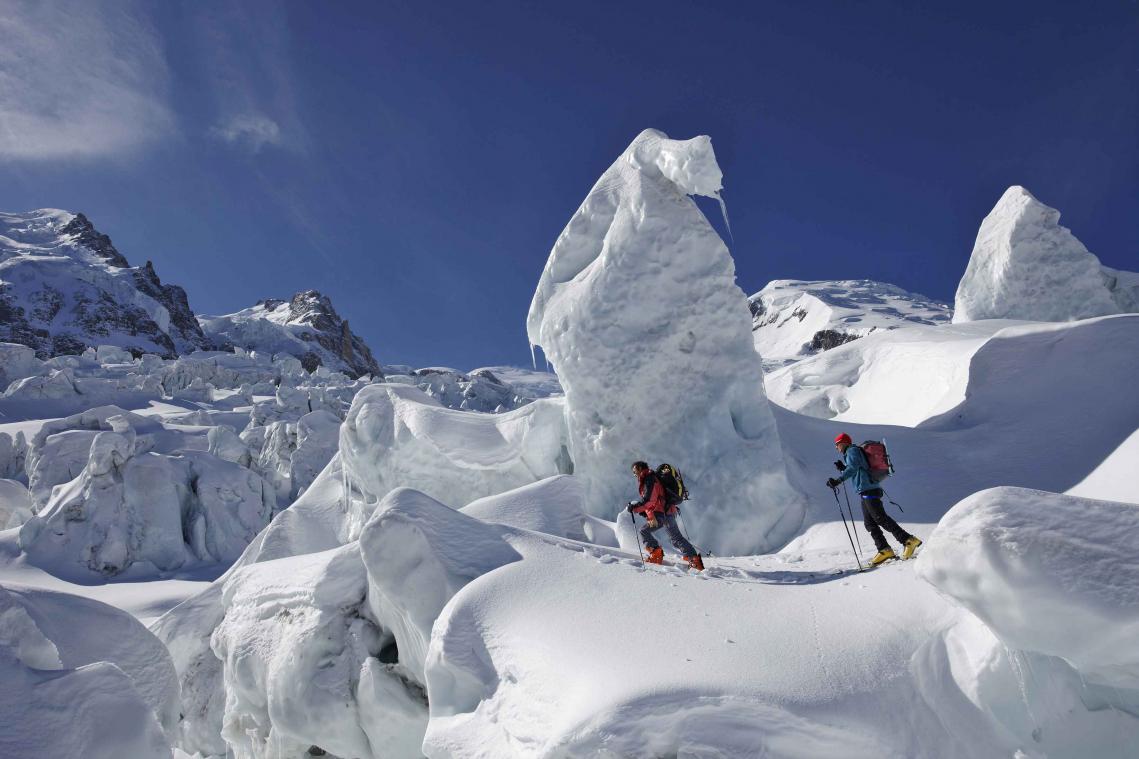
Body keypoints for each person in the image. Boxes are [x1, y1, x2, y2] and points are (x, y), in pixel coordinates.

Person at [826, 433, 921, 566]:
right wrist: (843, 469)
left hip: (868, 489)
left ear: (843, 443)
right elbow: (857, 468)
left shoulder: (852, 450)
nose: (836, 448)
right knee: (870, 523)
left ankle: (908, 540)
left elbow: (853, 468)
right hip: (866, 490)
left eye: (837, 445)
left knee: (880, 518)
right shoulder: (852, 452)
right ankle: (884, 549)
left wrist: (838, 480)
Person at [627, 461, 704, 571]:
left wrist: (635, 507)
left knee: (644, 531)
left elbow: (650, 500)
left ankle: (656, 555)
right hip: (668, 511)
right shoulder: (654, 478)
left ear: (639, 469)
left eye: (635, 472)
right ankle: (695, 561)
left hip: (661, 513)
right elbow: (657, 498)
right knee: (676, 538)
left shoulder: (649, 479)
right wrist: (645, 511)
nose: (635, 475)